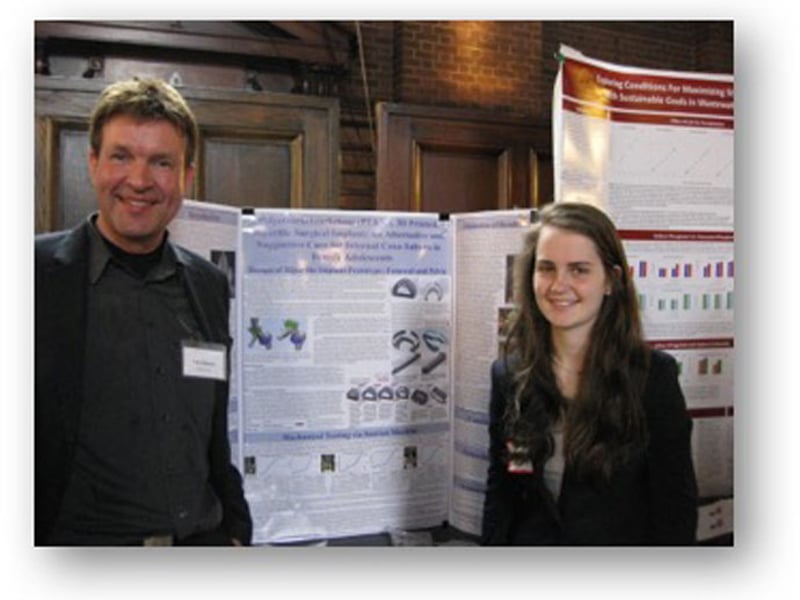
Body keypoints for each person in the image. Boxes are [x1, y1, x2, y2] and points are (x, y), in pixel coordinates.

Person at [35, 78, 252, 546]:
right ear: (93, 163)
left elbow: (211, 430)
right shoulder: (31, 276)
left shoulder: (210, 285)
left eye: (161, 162)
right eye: (121, 156)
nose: (139, 180)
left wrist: (236, 531)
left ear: (186, 177)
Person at [481, 202, 697, 545]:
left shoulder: (652, 378)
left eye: (579, 270)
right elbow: (502, 492)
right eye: (546, 268)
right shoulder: (508, 376)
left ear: (611, 281)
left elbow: (675, 508)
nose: (558, 285)